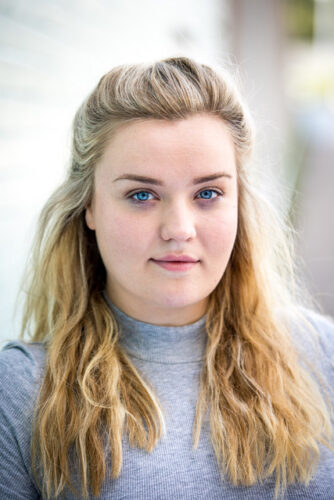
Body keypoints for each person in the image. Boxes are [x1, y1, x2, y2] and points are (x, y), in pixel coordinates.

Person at [0, 56, 333, 500]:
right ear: (90, 207)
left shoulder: (319, 353)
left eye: (208, 193)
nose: (179, 228)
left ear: (238, 202)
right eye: (141, 194)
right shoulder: (23, 392)